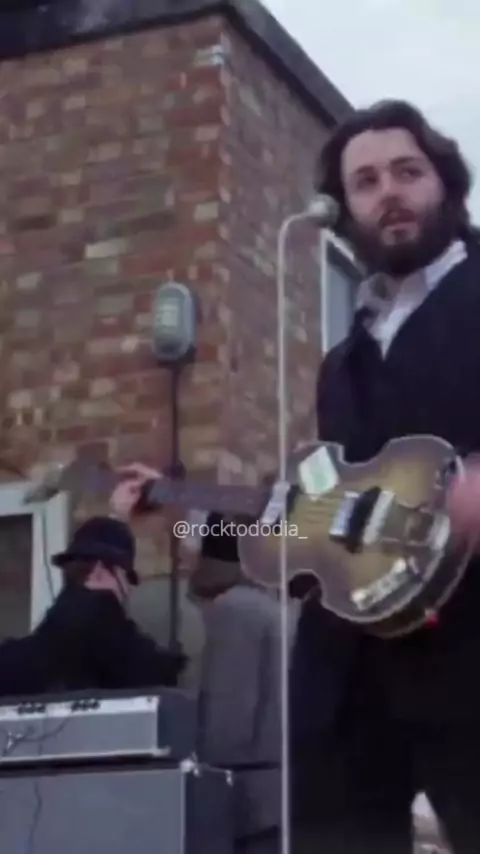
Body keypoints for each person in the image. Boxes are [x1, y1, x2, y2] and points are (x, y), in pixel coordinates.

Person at [290, 99, 480, 854]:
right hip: (353, 670)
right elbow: (325, 518)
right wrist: (192, 521)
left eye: (407, 171)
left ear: (446, 183)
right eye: (365, 182)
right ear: (342, 208)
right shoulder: (339, 365)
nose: (389, 192)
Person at [0, 464, 187, 697]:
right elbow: (156, 672)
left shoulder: (35, 648)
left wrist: (117, 517)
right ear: (100, 571)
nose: (128, 590)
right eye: (126, 578)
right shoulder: (103, 620)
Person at [192, 512, 282, 854]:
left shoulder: (235, 610)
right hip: (272, 793)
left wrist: (203, 775)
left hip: (248, 797)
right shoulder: (270, 608)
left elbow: (230, 715)